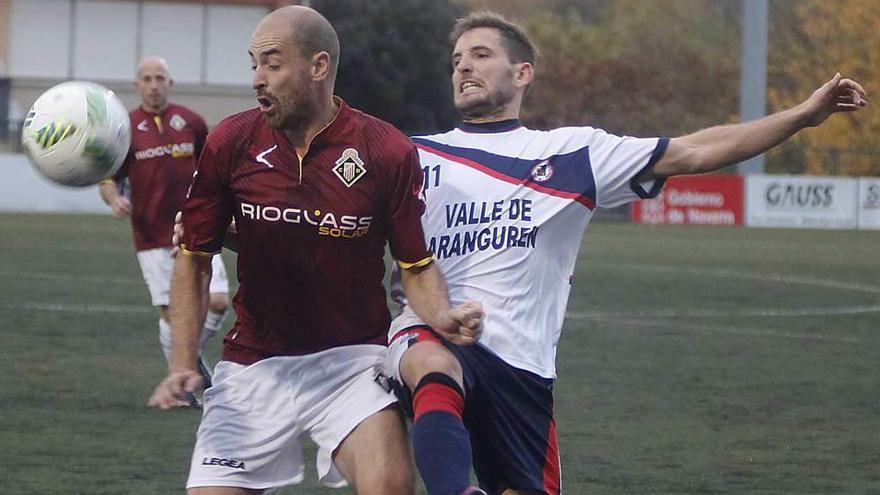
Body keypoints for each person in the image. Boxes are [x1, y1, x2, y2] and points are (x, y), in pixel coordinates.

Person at [382, 11, 868, 495]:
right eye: (457, 61)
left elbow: (696, 151)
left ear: (522, 73)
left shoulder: (574, 153)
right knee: (432, 364)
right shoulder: (413, 156)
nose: (464, 68)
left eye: (481, 56)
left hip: (523, 365)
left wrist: (803, 115)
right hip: (435, 331)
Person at [147, 6, 482, 495]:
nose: (258, 78)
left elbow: (415, 264)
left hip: (352, 361)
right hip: (254, 363)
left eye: (273, 63)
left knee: (391, 485)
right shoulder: (230, 142)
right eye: (253, 64)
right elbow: (194, 257)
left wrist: (443, 314)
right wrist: (182, 362)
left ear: (319, 66)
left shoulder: (385, 150)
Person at [99, 57, 229, 401]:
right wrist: (113, 199)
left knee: (217, 301)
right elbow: (109, 179)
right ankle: (191, 383)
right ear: (137, 85)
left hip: (197, 229)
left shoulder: (192, 122)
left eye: (160, 78)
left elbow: (213, 170)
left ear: (170, 83)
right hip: (151, 235)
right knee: (173, 315)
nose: (154, 84)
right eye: (146, 78)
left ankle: (181, 368)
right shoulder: (124, 129)